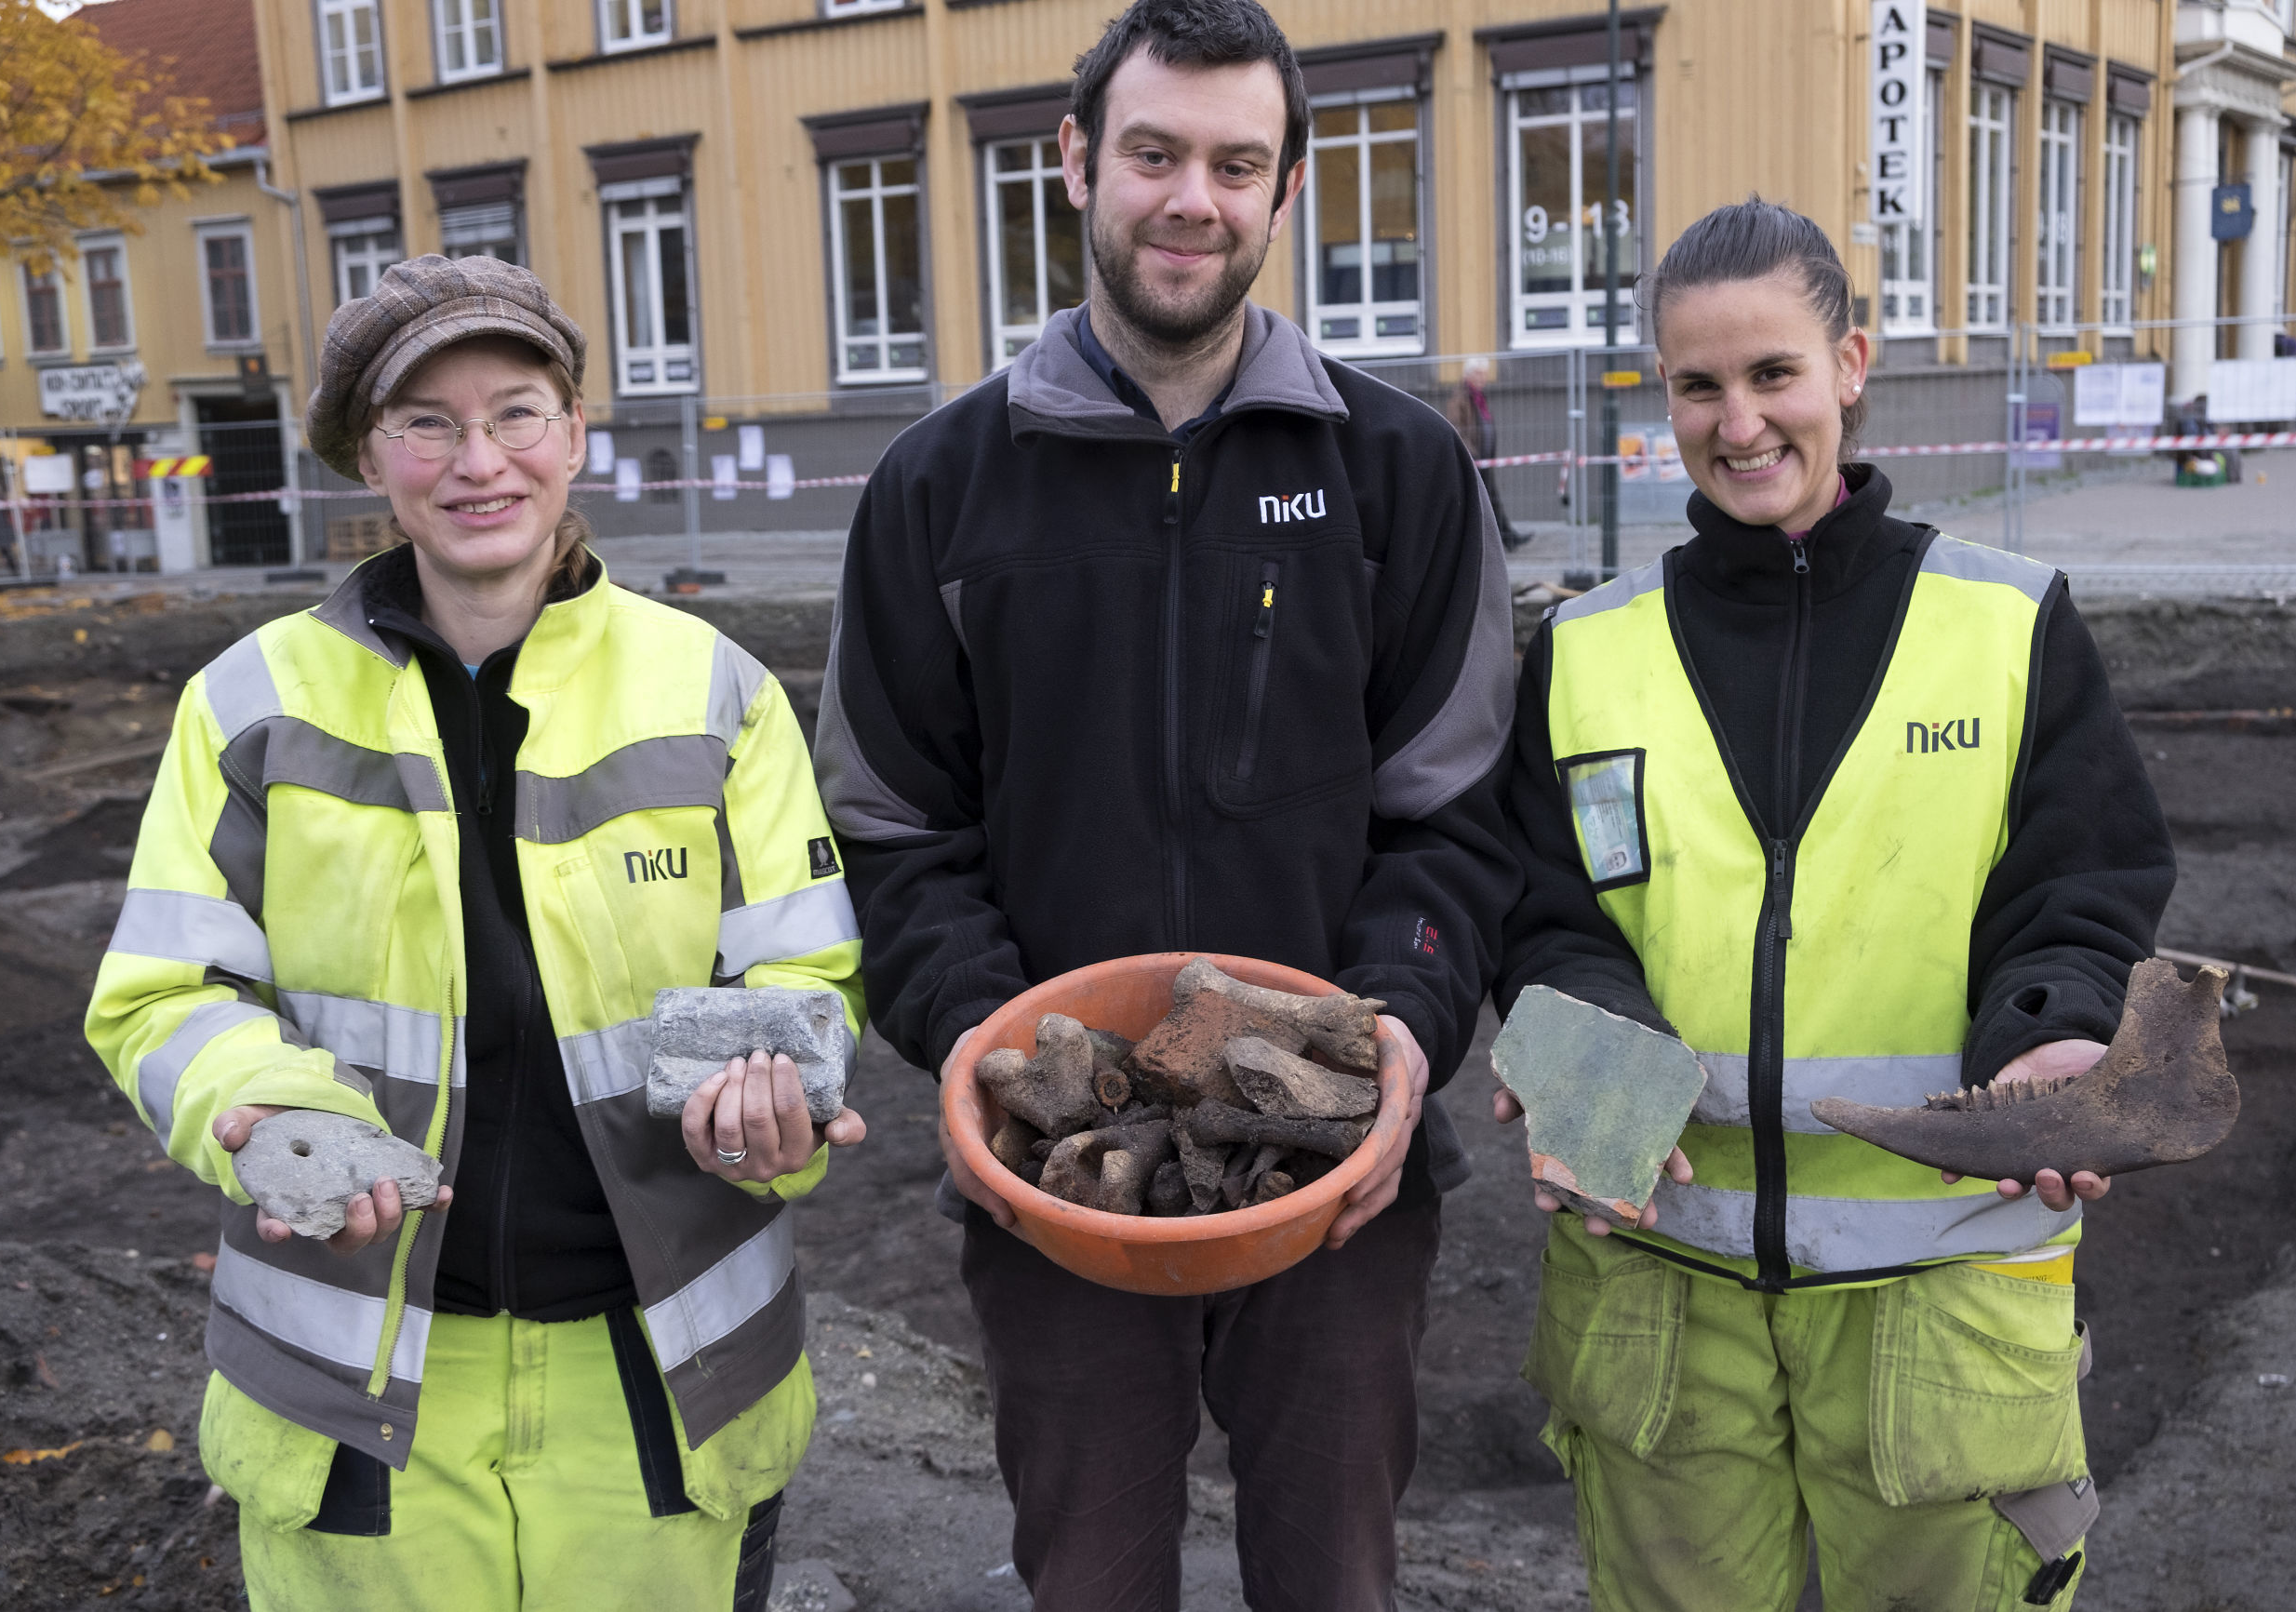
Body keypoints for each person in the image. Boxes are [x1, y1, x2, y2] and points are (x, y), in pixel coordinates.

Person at [814, 1, 1516, 1604]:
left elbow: (1459, 815)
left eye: (1233, 161)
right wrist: (1007, 1050)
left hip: (1335, 1176)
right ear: (1074, 164)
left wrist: (1400, 1017)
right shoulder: (939, 488)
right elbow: (891, 832)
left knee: (1333, 1575)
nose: (1190, 196)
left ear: (1283, 194)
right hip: (1060, 1185)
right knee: (1091, 1575)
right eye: (1153, 152)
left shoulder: (1399, 475)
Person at [86, 255, 866, 1611]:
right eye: (427, 422)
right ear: (368, 459)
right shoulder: (249, 705)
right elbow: (164, 992)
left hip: (657, 1389)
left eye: (515, 411)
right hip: (356, 1399)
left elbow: (803, 974)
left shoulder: (716, 694)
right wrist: (262, 1102)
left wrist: (780, 1097)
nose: (478, 459)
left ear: (574, 435)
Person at [1494, 201, 2173, 1610]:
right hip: (1661, 1289)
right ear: (1660, 395)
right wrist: (1589, 1054)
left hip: (1944, 1299)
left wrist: (2048, 1027)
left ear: (1850, 366)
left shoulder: (2006, 622)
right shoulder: (1583, 654)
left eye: (1773, 374)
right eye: (1699, 385)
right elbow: (1539, 909)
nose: (1739, 422)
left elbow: (2081, 879)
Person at [1446, 356, 1524, 549]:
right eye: (1479, 374)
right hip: (1474, 460)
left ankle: (1507, 539)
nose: (1484, 378)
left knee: (1491, 499)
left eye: (1485, 374)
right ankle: (1503, 540)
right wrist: (1472, 455)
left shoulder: (1479, 398)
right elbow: (1457, 429)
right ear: (1469, 375)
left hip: (1485, 460)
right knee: (1484, 501)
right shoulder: (1461, 398)